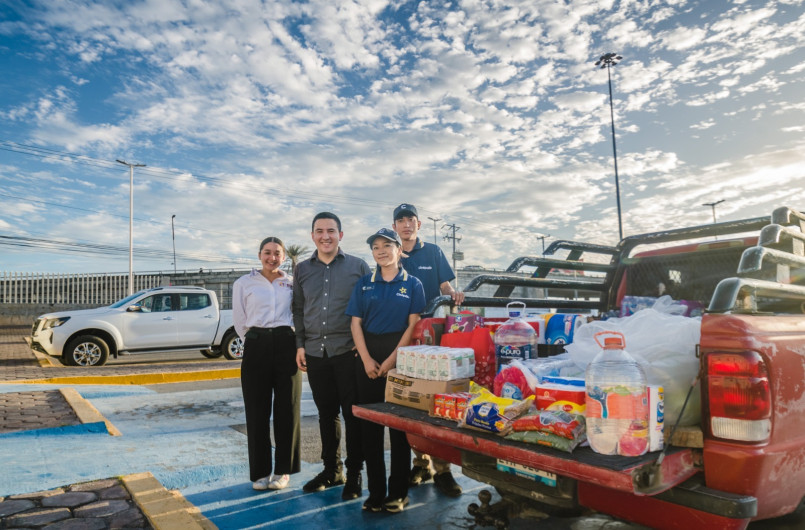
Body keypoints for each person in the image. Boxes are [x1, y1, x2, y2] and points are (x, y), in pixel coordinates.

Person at [293, 212, 371, 501]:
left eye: (331, 230)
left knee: (353, 416)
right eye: (319, 230)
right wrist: (300, 344)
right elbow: (299, 310)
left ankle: (354, 475)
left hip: (347, 353)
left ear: (341, 234)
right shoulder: (302, 269)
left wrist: (362, 345)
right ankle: (331, 470)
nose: (325, 235)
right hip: (315, 353)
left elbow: (370, 306)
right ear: (312, 235)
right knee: (326, 414)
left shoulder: (358, 266)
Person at [347, 228, 426, 513]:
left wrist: (393, 359)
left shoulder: (413, 283)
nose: (381, 251)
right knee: (370, 428)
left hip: (400, 355)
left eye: (386, 246)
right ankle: (376, 492)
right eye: (375, 247)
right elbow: (355, 323)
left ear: (398, 250)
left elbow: (413, 324)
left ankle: (398, 493)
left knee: (398, 429)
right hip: (368, 356)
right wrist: (366, 360)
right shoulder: (365, 283)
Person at [392, 203, 465, 497]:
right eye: (400, 220)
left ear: (418, 224)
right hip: (405, 339)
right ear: (395, 227)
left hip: (433, 339)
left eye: (410, 219)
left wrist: (453, 295)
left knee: (438, 401)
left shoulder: (432, 252)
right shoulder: (391, 254)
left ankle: (443, 470)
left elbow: (445, 285)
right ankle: (420, 464)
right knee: (412, 400)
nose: (406, 224)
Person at [232, 236, 301, 491]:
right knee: (256, 410)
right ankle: (260, 472)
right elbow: (239, 318)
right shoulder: (244, 283)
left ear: (283, 256)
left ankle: (284, 471)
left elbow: (297, 314)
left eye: (277, 253)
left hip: (286, 343)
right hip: (256, 344)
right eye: (267, 252)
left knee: (288, 409)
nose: (272, 257)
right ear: (259, 254)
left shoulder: (292, 283)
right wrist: (255, 340)